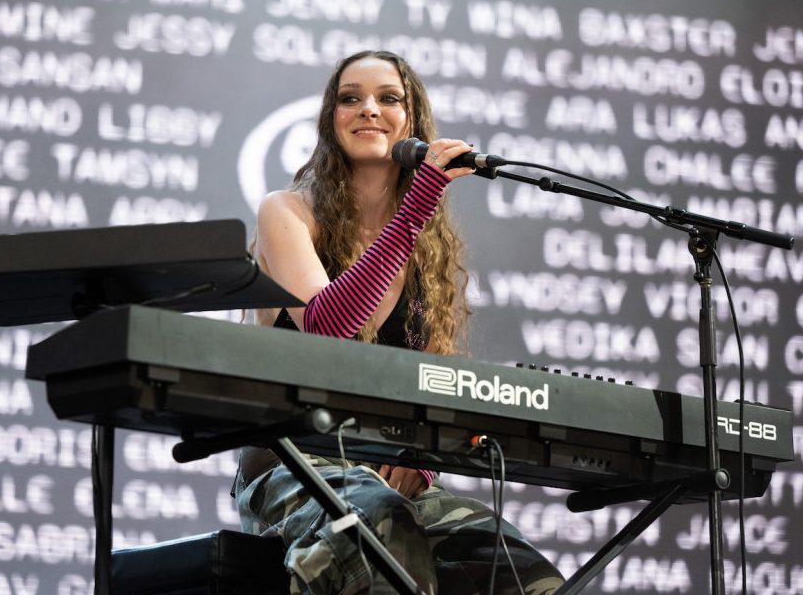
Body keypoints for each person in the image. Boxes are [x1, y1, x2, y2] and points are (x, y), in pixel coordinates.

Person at [234, 50, 563, 595]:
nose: (369, 109)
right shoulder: (287, 212)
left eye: (389, 99)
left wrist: (425, 467)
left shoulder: (426, 255)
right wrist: (418, 206)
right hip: (293, 463)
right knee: (387, 532)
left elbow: (437, 389)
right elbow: (328, 326)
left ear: (412, 124)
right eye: (350, 98)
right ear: (330, 119)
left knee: (528, 576)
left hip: (383, 475)